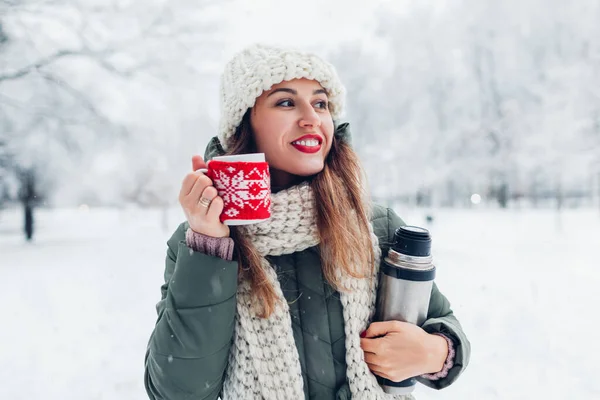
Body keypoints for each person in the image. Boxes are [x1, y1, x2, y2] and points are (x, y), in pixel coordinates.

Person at [144, 44, 470, 400]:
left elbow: (444, 325)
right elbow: (176, 390)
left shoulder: (374, 225)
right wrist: (210, 248)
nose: (311, 117)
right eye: (286, 102)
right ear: (244, 124)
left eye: (320, 103)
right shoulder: (199, 243)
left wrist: (434, 352)